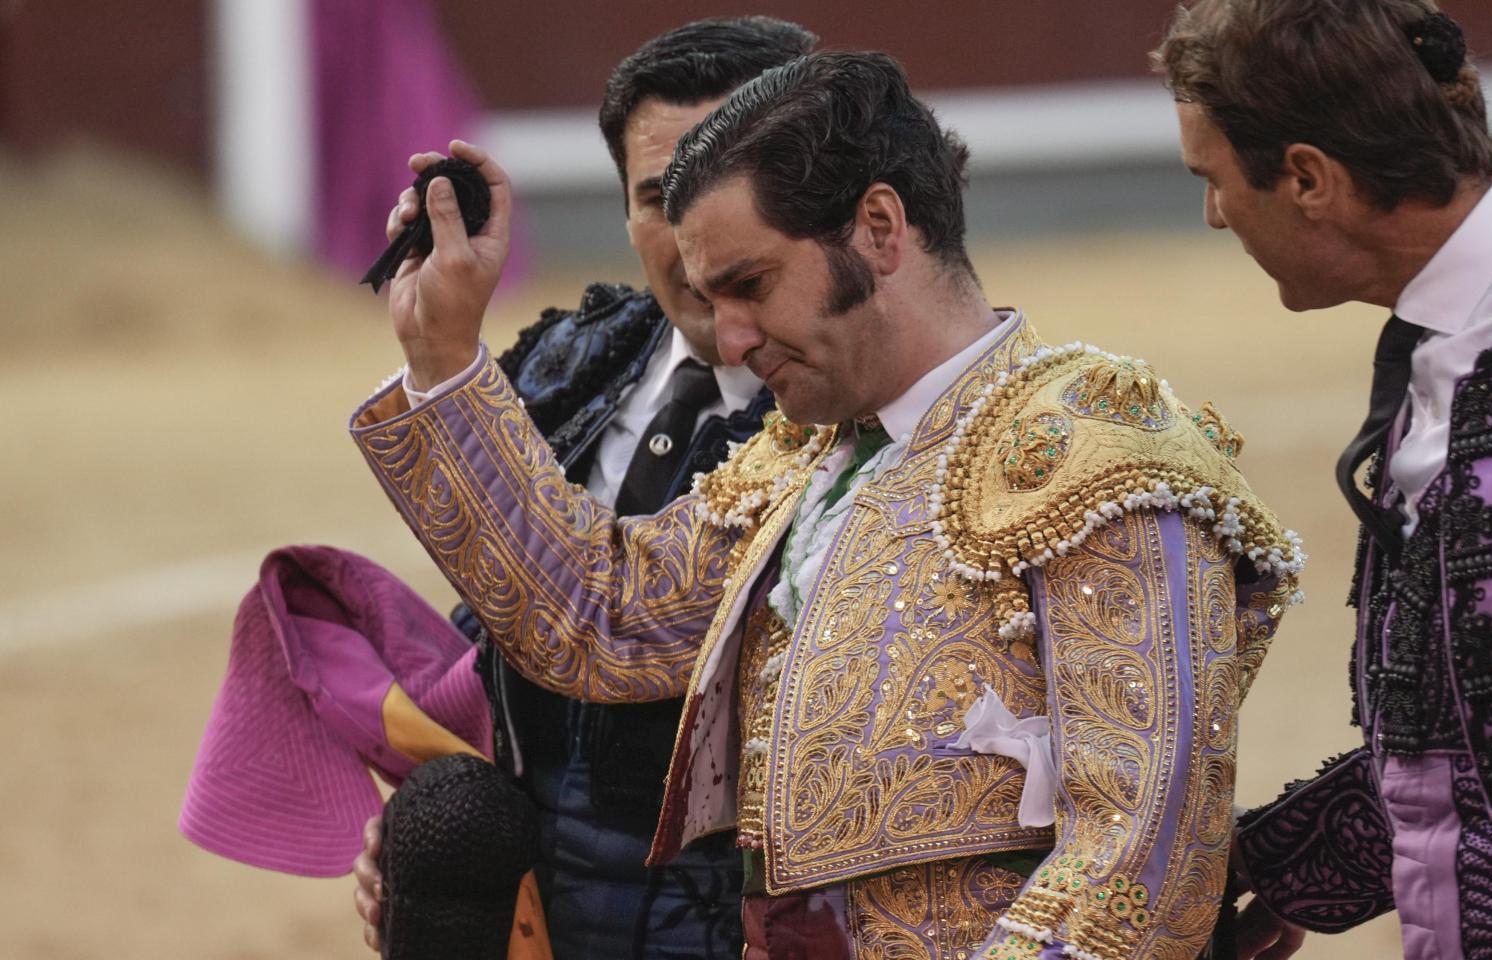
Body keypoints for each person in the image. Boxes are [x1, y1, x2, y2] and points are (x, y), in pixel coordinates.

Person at [350, 50, 1307, 959]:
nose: (726, 341)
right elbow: (602, 614)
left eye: (751, 286)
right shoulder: (803, 458)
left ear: (880, 231)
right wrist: (443, 359)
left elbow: (1141, 861)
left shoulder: (1094, 453)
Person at [1155, 2, 1492, 958]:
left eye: (1213, 180)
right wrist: (1275, 870)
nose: (1214, 214)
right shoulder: (1439, 353)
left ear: (1306, 177)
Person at [350, 17, 814, 959]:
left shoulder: (848, 405)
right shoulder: (574, 360)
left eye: (728, 188)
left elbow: (607, 619)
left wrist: (446, 364)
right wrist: (431, 833)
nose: (693, 236)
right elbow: (492, 634)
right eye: (658, 197)